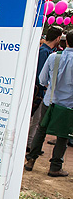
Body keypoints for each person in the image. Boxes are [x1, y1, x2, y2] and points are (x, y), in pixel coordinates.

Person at [25, 30, 73, 178]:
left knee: (41, 129)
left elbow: (42, 78)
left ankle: (31, 160)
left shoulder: (53, 57)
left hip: (50, 101)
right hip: (68, 105)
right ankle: (55, 166)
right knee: (63, 136)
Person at [27, 26, 63, 150]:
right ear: (58, 38)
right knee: (35, 120)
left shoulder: (47, 51)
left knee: (36, 121)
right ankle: (30, 145)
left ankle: (30, 144)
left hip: (40, 92)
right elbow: (40, 76)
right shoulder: (44, 52)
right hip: (38, 92)